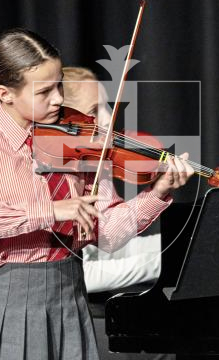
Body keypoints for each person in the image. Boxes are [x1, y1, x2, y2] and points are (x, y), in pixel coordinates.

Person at [0, 28, 194, 360]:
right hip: (14, 296)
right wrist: (50, 210)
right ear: (5, 93)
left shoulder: (77, 142)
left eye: (59, 85)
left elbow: (107, 234)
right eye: (44, 91)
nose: (59, 99)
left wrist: (156, 193)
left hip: (70, 290)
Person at [61, 66, 163, 294]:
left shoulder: (95, 162)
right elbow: (86, 274)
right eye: (95, 110)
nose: (108, 118)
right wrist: (165, 262)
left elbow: (107, 240)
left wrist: (186, 242)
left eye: (106, 106)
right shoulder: (53, 173)